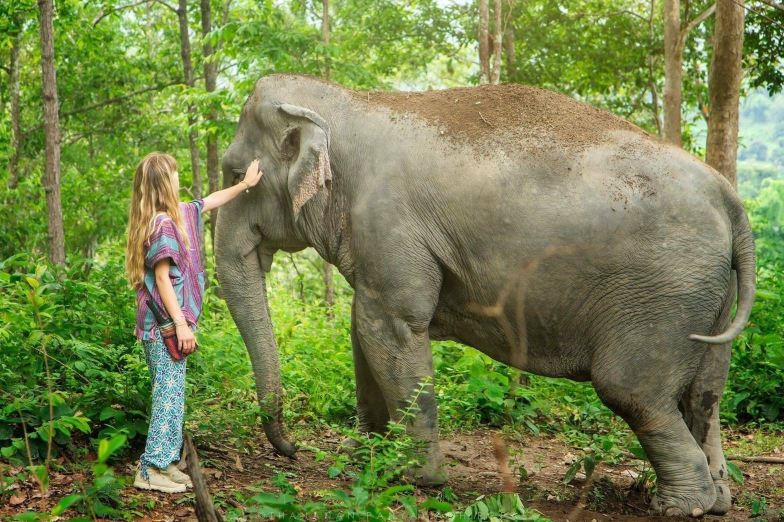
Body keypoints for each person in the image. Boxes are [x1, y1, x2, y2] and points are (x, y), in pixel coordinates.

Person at [124, 152, 262, 493]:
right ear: (162, 183)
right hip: (165, 325)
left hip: (161, 324)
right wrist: (181, 325)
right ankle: (150, 468)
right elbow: (163, 278)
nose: (178, 178)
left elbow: (208, 202)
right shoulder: (163, 224)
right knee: (167, 396)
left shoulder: (175, 215)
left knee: (172, 393)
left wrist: (245, 184)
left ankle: (166, 462)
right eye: (174, 174)